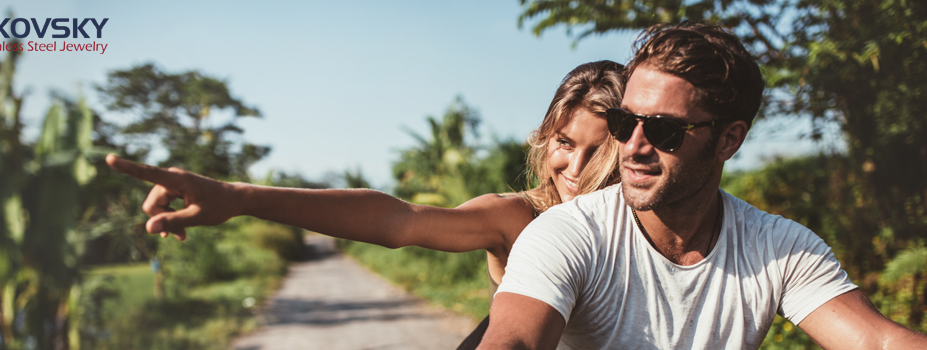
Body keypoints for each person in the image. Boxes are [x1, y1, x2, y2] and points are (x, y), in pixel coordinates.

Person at [104, 61, 627, 347]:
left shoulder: (655, 224)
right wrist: (239, 197)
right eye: (564, 143)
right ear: (544, 141)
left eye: (598, 147)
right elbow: (398, 220)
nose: (576, 169)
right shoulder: (522, 218)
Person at [478, 23, 927, 349]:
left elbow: (880, 341)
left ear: (728, 139)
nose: (631, 148)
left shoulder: (777, 248)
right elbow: (513, 340)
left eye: (664, 131)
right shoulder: (568, 234)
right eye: (623, 122)